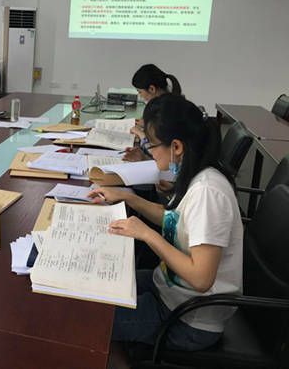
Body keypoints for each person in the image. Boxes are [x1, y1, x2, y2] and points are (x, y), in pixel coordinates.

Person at [88, 93, 242, 351]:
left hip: (188, 320)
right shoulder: (196, 174)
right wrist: (128, 198)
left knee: (88, 317)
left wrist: (147, 234)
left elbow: (201, 278)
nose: (148, 151)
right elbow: (173, 220)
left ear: (177, 147)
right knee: (93, 287)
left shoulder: (208, 193)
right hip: (170, 290)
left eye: (151, 144)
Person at [125, 64, 183, 163]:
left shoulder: (165, 112)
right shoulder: (171, 102)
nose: (141, 96)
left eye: (140, 92)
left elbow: (156, 152)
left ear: (152, 89)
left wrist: (140, 133)